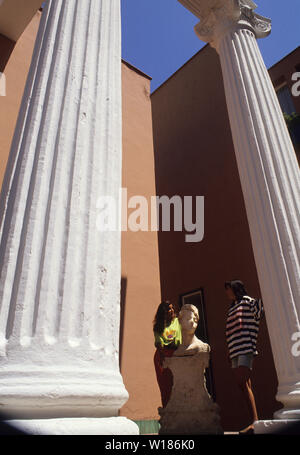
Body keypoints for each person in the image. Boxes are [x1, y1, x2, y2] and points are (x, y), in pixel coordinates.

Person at [224, 280, 264, 435]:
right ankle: (254, 422)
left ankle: (255, 421)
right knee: (243, 385)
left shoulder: (248, 302)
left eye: (229, 289)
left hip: (246, 348)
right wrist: (229, 350)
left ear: (236, 289)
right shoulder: (232, 307)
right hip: (234, 351)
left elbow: (260, 310)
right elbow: (230, 331)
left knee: (242, 381)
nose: (227, 293)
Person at [153, 300, 182, 407]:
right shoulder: (158, 326)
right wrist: (162, 358)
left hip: (175, 353)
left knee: (176, 384)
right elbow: (158, 343)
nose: (172, 310)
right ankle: (167, 410)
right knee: (165, 386)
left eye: (172, 308)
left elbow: (180, 338)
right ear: (163, 312)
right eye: (169, 309)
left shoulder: (177, 321)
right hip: (163, 356)